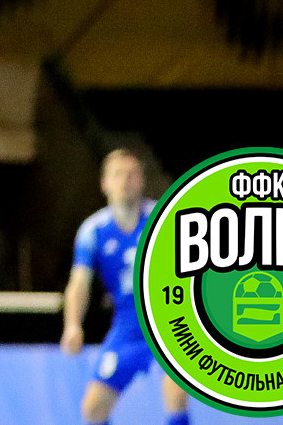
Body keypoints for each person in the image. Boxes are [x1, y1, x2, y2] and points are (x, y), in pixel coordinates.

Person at [62, 148, 189, 425]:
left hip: (170, 322)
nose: (125, 181)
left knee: (176, 390)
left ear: (142, 181)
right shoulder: (93, 230)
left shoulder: (164, 217)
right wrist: (73, 324)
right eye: (118, 175)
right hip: (128, 327)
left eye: (132, 174)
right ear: (104, 183)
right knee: (93, 410)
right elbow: (79, 284)